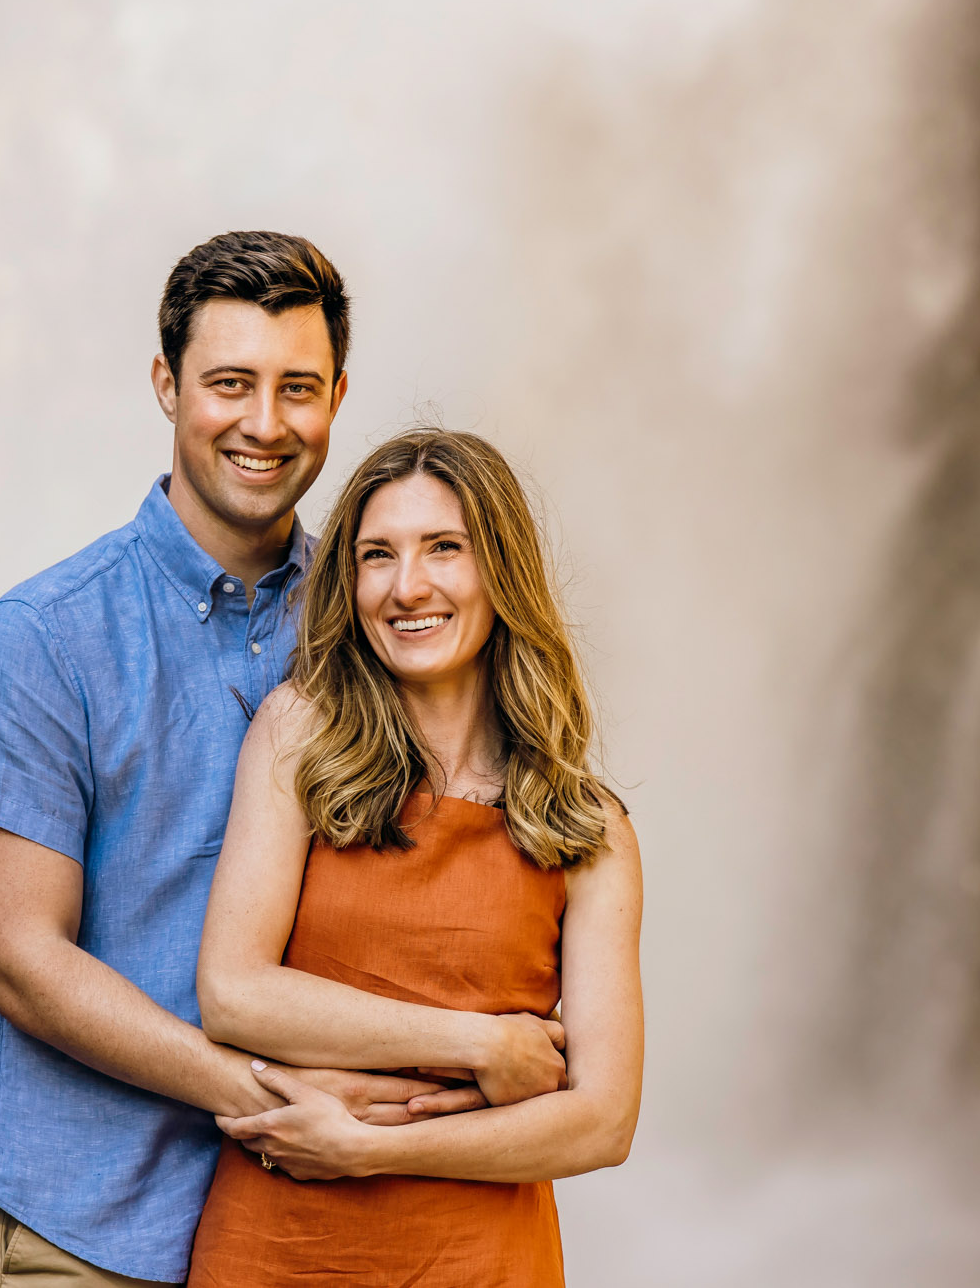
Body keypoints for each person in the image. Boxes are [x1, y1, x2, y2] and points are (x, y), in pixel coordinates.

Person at [0, 233, 515, 1286]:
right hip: (85, 1231)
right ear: (165, 385)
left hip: (314, 1230)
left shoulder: (378, 619)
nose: (264, 422)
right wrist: (265, 1091)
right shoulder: (39, 641)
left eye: (297, 386)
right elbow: (24, 966)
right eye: (228, 383)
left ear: (338, 394)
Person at [185, 429, 645, 1287]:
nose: (408, 587)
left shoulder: (589, 828)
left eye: (444, 548)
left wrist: (366, 1148)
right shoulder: (301, 734)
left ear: (500, 568)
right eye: (376, 555)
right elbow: (233, 992)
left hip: (481, 1259)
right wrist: (479, 1044)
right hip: (278, 1249)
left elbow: (602, 1120)